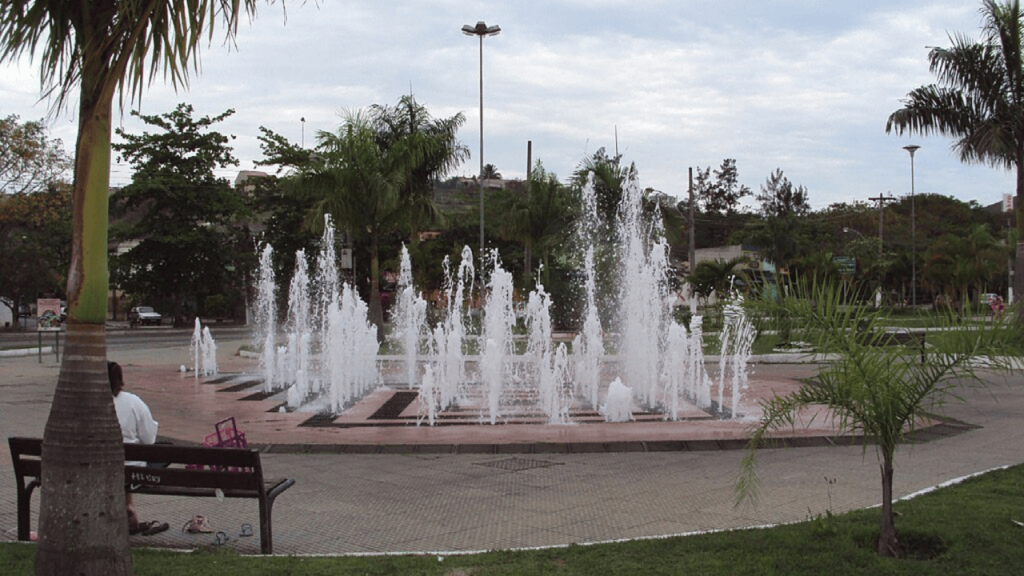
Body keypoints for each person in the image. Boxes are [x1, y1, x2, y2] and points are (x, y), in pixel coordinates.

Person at [109, 361, 168, 536]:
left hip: (101, 469)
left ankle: (129, 508)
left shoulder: (86, 405)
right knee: (162, 453)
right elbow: (149, 440)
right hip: (134, 473)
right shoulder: (132, 401)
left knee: (120, 467)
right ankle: (128, 509)